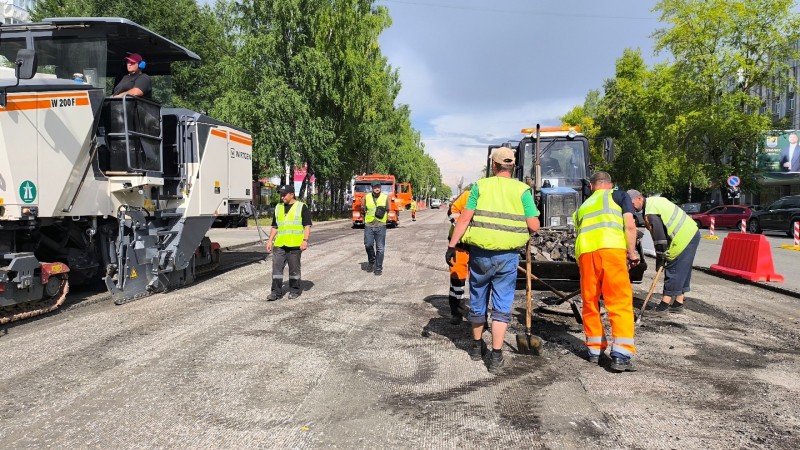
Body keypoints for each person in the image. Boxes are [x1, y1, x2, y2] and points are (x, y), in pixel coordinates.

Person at [447, 147, 540, 374]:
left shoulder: (481, 186)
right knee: (502, 304)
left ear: (494, 165)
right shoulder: (522, 190)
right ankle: (496, 356)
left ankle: (477, 348)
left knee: (478, 297)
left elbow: (465, 218)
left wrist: (452, 246)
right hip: (507, 257)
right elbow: (534, 225)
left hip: (479, 254)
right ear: (512, 166)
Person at [574, 172, 640, 372]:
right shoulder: (618, 196)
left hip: (586, 255)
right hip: (612, 251)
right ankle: (621, 354)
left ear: (592, 186)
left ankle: (594, 350)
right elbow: (629, 225)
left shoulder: (582, 207)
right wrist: (632, 252)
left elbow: (579, 233)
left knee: (590, 301)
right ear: (610, 184)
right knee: (618, 300)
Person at [627, 189, 700, 317]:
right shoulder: (654, 203)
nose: (631, 206)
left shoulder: (651, 212)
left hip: (683, 237)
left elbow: (660, 238)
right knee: (683, 269)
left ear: (639, 198)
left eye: (631, 202)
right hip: (691, 233)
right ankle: (678, 303)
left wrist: (660, 258)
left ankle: (664, 306)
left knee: (673, 267)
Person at [266, 185, 311, 300]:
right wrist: (270, 240)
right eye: (281, 194)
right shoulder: (278, 207)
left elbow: (307, 225)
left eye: (284, 194)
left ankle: (294, 290)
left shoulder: (301, 207)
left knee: (294, 269)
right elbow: (275, 226)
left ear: (292, 194)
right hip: (280, 244)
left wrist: (305, 240)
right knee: (276, 269)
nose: (282, 197)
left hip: (295, 244)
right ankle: (275, 292)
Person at [445, 186, 472, 325]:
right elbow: (452, 211)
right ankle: (456, 312)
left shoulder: (491, 199)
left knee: (479, 285)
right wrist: (462, 225)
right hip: (459, 247)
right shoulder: (468, 195)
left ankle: (479, 316)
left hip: (478, 249)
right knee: (457, 282)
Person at [361, 181, 389, 275]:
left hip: (381, 225)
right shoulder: (366, 197)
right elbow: (363, 209)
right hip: (369, 225)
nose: (377, 188)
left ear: (380, 188)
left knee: (380, 248)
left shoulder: (385, 197)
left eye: (378, 187)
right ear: (372, 188)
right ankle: (371, 260)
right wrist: (363, 220)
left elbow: (388, 209)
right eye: (375, 187)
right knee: (368, 245)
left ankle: (378, 268)